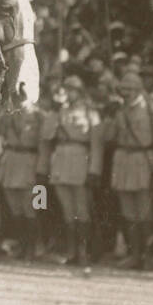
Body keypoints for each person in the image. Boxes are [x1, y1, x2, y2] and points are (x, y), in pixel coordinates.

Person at [37, 76, 102, 268]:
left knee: (82, 211)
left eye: (72, 89)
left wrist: (95, 170)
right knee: (68, 212)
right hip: (61, 163)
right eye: (66, 89)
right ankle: (72, 252)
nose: (68, 93)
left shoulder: (90, 113)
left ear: (80, 92)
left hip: (81, 161)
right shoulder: (59, 111)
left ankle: (83, 253)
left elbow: (97, 145)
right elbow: (46, 135)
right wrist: (55, 112)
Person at [105, 72, 153, 270]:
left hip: (143, 162)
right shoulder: (120, 111)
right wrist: (110, 116)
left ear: (140, 89)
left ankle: (147, 257)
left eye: (131, 89)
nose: (127, 93)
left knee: (145, 212)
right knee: (129, 212)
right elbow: (109, 137)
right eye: (124, 89)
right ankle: (135, 255)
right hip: (123, 162)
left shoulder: (152, 111)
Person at [0, 94, 44, 260]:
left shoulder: (39, 116)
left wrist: (42, 169)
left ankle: (35, 247)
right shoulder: (8, 114)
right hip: (11, 163)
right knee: (15, 209)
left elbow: (45, 144)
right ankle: (22, 247)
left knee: (34, 207)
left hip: (31, 163)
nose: (20, 97)